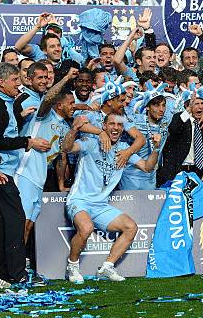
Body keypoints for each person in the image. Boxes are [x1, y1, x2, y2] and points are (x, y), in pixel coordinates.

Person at [63, 113, 160, 283]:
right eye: (112, 124)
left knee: (131, 227)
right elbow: (67, 148)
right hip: (79, 201)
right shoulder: (92, 142)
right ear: (104, 126)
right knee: (86, 228)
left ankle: (107, 267)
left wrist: (156, 149)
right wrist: (73, 130)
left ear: (122, 129)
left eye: (119, 125)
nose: (115, 127)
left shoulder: (124, 148)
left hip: (100, 205)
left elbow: (147, 167)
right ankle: (72, 266)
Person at [0, 62, 51, 286]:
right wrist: (26, 141)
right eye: (15, 80)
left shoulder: (5, 103)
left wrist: (19, 117)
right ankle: (16, 273)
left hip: (1, 171)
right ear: (1, 82)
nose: (19, 84)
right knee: (15, 221)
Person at [15, 69, 78, 245]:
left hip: (40, 177)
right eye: (71, 103)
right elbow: (49, 97)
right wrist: (65, 77)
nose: (74, 106)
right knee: (22, 222)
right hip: (25, 172)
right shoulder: (43, 115)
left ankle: (20, 264)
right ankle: (13, 267)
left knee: (29, 224)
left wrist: (60, 185)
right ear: (59, 105)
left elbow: (61, 158)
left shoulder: (65, 127)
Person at [118, 85, 171, 190]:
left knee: (147, 206)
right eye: (156, 105)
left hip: (151, 174)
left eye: (163, 105)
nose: (161, 109)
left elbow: (183, 117)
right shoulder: (135, 121)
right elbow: (117, 115)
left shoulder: (166, 122)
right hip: (131, 174)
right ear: (147, 107)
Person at [157, 90, 203, 186]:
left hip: (197, 171)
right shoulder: (180, 118)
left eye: (202, 103)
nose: (200, 106)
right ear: (187, 106)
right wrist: (188, 111)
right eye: (196, 103)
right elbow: (173, 129)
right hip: (177, 170)